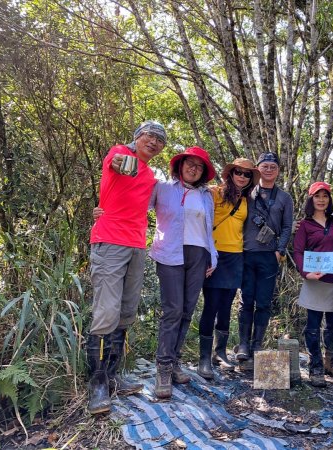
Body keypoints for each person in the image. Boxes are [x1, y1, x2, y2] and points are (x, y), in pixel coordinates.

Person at [87, 120, 166, 414]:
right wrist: (124, 158)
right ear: (137, 137)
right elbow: (118, 163)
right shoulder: (119, 153)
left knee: (126, 311)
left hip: (136, 245)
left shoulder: (149, 176)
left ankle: (113, 376)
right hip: (109, 241)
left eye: (160, 140)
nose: (155, 141)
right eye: (150, 135)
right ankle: (97, 384)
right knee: (106, 310)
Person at [148, 146, 217, 397]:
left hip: (198, 254)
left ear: (203, 172)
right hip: (170, 253)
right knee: (173, 310)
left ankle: (175, 360)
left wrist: (213, 256)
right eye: (190, 163)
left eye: (199, 166)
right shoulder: (163, 188)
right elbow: (137, 206)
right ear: (180, 165)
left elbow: (208, 229)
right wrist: (105, 210)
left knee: (188, 309)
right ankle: (163, 368)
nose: (194, 168)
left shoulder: (206, 196)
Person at [198, 158, 260, 378]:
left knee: (226, 305)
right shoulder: (213, 192)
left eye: (247, 174)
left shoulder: (246, 200)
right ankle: (204, 358)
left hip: (236, 256)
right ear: (230, 173)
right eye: (238, 172)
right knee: (211, 305)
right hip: (214, 254)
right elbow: (199, 218)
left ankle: (220, 352)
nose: (242, 176)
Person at [236, 152, 294, 364]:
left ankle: (257, 343)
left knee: (264, 301)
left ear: (278, 171)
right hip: (246, 252)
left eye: (273, 167)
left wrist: (279, 250)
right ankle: (243, 343)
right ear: (257, 169)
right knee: (246, 300)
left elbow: (287, 226)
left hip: (269, 256)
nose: (268, 170)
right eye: (264, 166)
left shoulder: (284, 198)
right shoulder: (247, 192)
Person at [293, 182, 333, 387]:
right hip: (314, 280)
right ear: (311, 199)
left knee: (332, 325)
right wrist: (305, 272)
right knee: (312, 326)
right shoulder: (304, 225)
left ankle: (331, 362)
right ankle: (315, 366)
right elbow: (297, 251)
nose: (321, 200)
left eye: (325, 196)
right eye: (317, 196)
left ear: (330, 199)